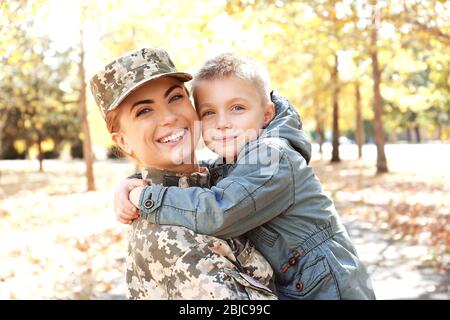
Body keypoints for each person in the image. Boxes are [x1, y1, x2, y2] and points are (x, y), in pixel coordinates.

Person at [117, 53, 376, 299]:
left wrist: (146, 197)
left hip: (329, 289)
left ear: (266, 114)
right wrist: (134, 179)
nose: (222, 123)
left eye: (237, 108)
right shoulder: (241, 154)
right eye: (208, 113)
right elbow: (207, 171)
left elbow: (220, 211)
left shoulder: (273, 158)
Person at [89, 48, 277, 300]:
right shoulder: (168, 235)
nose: (168, 117)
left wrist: (132, 183)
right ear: (122, 141)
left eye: (175, 97)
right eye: (144, 111)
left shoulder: (221, 175)